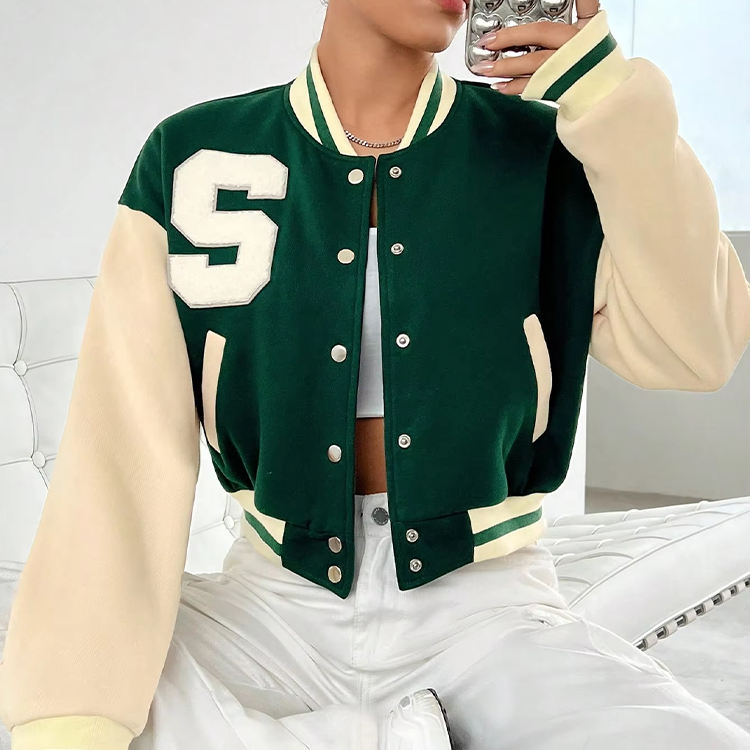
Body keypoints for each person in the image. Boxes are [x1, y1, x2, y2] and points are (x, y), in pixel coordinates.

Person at [2, 0, 750, 748]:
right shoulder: (193, 153)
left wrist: (610, 103)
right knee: (63, 702)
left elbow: (698, 349)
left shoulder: (548, 153)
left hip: (487, 611)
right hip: (268, 607)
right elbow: (120, 452)